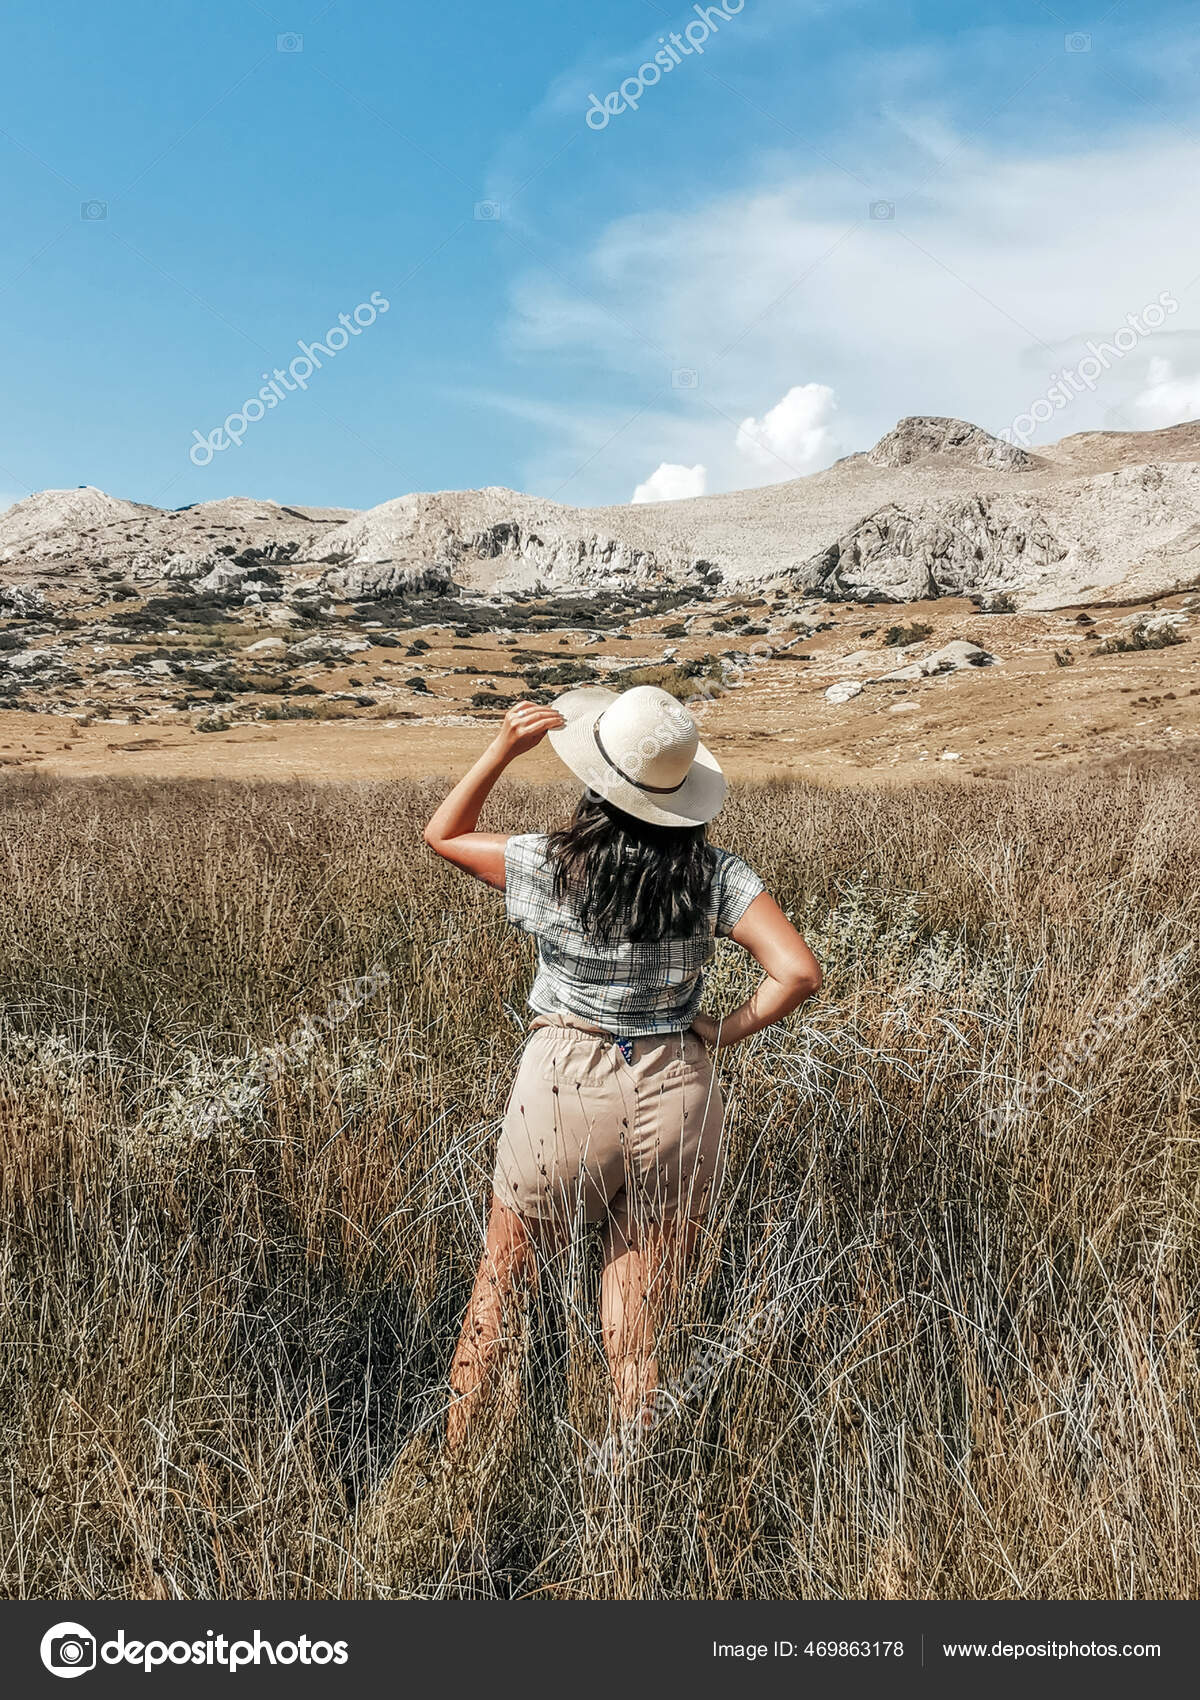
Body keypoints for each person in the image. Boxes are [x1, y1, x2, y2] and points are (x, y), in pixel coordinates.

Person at [423, 683, 822, 1452]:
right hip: (678, 1087)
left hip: (565, 1081)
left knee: (502, 1287)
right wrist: (720, 1030)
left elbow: (444, 835)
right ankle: (628, 1503)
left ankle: (459, 1479)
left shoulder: (545, 864)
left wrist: (502, 748)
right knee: (641, 1331)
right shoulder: (717, 876)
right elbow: (798, 972)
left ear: (599, 782)